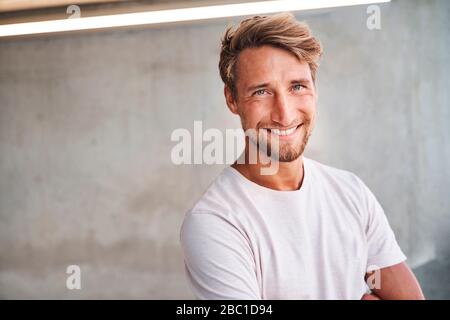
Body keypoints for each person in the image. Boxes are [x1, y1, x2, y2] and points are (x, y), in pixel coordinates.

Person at [180, 13, 424, 300]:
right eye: (261, 91)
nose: (284, 114)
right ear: (232, 99)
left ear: (315, 89)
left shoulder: (351, 192)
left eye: (297, 86)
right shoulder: (215, 222)